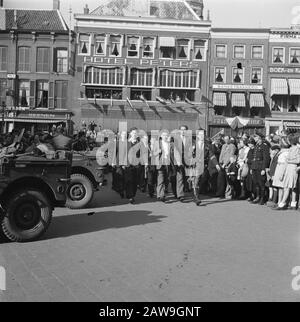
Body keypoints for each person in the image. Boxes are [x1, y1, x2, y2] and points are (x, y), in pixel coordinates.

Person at [275, 135, 300, 210]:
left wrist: (289, 161)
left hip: (293, 167)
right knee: (290, 186)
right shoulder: (290, 149)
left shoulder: (297, 149)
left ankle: (282, 203)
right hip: (288, 168)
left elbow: (298, 160)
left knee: (289, 187)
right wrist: (283, 173)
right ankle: (293, 203)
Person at [250, 132, 270, 205]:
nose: (254, 139)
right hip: (255, 166)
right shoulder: (256, 146)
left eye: (255, 137)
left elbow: (266, 158)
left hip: (260, 166)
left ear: (259, 138)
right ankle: (257, 197)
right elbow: (254, 158)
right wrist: (252, 168)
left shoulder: (264, 146)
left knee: (261, 183)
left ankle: (262, 198)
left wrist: (263, 168)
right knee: (256, 183)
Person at [271, 139, 290, 209]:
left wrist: (282, 173)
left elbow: (285, 163)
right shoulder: (281, 151)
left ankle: (282, 203)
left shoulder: (287, 152)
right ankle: (279, 202)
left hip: (282, 167)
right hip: (278, 167)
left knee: (283, 186)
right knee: (279, 187)